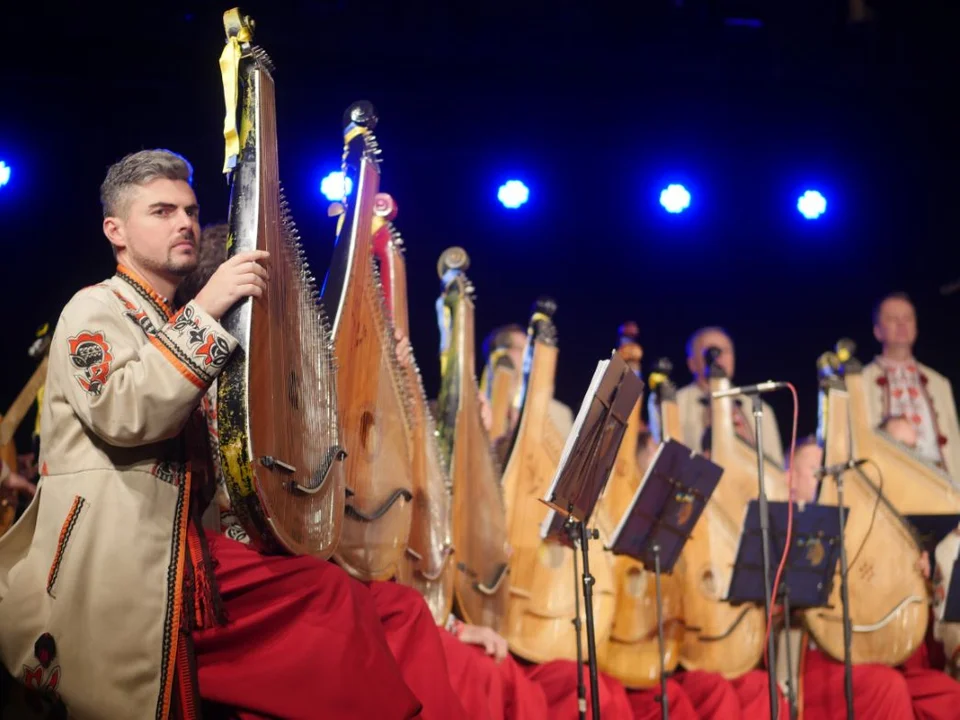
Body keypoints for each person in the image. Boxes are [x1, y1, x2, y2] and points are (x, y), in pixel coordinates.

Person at [0, 149, 462, 719]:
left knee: (389, 611)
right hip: (121, 560)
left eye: (190, 210)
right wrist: (210, 304)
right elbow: (123, 412)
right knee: (330, 604)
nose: (185, 223)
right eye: (162, 211)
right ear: (114, 231)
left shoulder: (178, 321)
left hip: (188, 550)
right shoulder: (94, 308)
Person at [787, 436, 960, 718]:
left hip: (879, 654)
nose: (828, 477)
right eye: (817, 470)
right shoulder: (784, 528)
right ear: (790, 478)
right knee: (887, 687)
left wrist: (918, 583)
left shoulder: (862, 531)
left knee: (950, 696)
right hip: (818, 661)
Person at [864, 292, 960, 477]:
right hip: (889, 483)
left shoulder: (939, 383)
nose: (902, 324)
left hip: (941, 483)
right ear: (877, 331)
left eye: (907, 318)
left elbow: (954, 440)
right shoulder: (862, 381)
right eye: (893, 319)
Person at [675, 326, 785, 465]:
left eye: (725, 351)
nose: (717, 356)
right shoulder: (676, 403)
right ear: (691, 363)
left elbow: (776, 465)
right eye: (709, 351)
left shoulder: (760, 407)